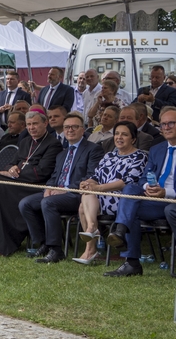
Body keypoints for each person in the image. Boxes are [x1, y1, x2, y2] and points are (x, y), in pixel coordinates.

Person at [0, 109, 63, 256]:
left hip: (35, 186)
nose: (31, 127)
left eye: (35, 124)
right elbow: (10, 163)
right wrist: (11, 169)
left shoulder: (53, 144)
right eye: (29, 124)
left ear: (45, 123)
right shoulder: (25, 142)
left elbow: (42, 172)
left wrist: (16, 174)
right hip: (17, 185)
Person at [19, 113, 103, 264]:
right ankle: (43, 243)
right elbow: (55, 175)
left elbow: (92, 175)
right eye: (67, 127)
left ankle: (56, 250)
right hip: (57, 192)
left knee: (48, 203)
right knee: (26, 203)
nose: (70, 130)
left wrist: (67, 189)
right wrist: (49, 188)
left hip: (78, 195)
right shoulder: (62, 153)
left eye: (74, 127)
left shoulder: (93, 149)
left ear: (82, 130)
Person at [105, 106, 176, 276]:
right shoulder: (157, 149)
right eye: (163, 124)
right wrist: (147, 188)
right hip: (155, 200)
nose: (166, 127)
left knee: (161, 209)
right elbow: (143, 179)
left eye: (171, 123)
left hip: (172, 200)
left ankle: (120, 232)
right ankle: (131, 262)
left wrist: (166, 192)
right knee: (131, 191)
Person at [74, 121, 146, 263]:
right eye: (117, 134)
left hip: (123, 200)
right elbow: (96, 177)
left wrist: (98, 188)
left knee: (83, 207)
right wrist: (87, 183)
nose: (119, 137)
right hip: (101, 198)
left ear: (133, 139)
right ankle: (92, 230)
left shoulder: (140, 156)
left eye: (124, 134)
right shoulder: (109, 156)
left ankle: (90, 248)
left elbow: (127, 182)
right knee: (86, 194)